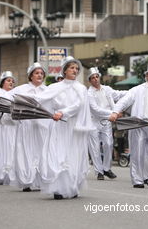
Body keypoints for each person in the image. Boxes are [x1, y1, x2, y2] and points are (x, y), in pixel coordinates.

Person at [35, 56, 94, 199]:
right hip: (58, 127)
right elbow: (40, 101)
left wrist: (63, 113)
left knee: (73, 156)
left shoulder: (81, 89)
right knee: (57, 156)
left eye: (76, 68)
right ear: (64, 70)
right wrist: (50, 113)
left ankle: (72, 187)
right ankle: (58, 188)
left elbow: (79, 106)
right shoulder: (54, 88)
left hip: (74, 128)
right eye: (72, 68)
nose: (75, 70)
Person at [109, 62, 148, 188]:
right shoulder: (136, 90)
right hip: (139, 125)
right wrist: (115, 112)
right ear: (146, 76)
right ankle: (137, 180)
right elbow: (124, 101)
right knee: (137, 153)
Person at [8, 62, 48, 192]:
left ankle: (41, 180)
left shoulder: (47, 90)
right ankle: (26, 181)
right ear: (30, 76)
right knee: (26, 152)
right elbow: (8, 97)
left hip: (42, 126)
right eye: (36, 73)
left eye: (41, 73)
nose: (39, 75)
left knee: (41, 152)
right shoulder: (21, 89)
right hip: (26, 125)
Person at [87, 67, 127, 180]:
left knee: (108, 144)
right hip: (93, 122)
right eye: (92, 78)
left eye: (96, 76)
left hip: (107, 121)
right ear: (90, 80)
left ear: (99, 77)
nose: (95, 79)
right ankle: (99, 171)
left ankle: (106, 168)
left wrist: (134, 91)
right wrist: (113, 113)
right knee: (95, 148)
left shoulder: (107, 89)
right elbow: (95, 109)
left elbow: (118, 94)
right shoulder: (89, 93)